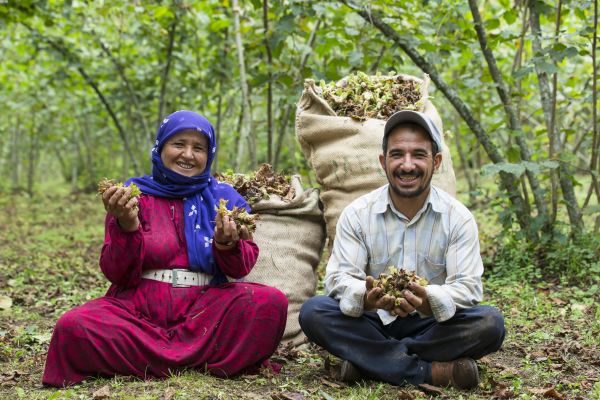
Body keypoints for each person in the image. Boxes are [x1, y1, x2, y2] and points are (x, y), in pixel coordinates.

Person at [43, 110, 288, 387]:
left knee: (270, 303)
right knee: (72, 327)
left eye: (199, 148)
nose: (188, 154)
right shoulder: (133, 195)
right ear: (161, 147)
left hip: (204, 311)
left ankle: (151, 360)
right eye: (179, 144)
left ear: (209, 154)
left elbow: (241, 268)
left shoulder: (225, 199)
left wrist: (226, 244)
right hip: (138, 311)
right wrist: (126, 225)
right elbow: (116, 272)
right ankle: (199, 359)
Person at [299, 110, 505, 390]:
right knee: (314, 311)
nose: (407, 165)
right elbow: (338, 279)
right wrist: (369, 299)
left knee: (490, 323)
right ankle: (431, 372)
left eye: (419, 154)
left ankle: (368, 362)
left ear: (437, 161)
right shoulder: (358, 214)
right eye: (397, 154)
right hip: (372, 321)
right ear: (383, 162)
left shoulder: (457, 218)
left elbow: (468, 287)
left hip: (430, 325)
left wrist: (427, 299)